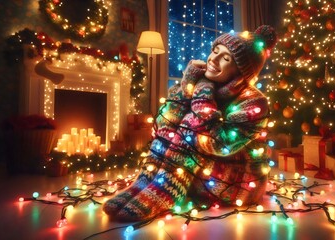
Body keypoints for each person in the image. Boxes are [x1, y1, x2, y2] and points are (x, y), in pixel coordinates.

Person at [103, 25, 277, 221]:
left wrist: (201, 93)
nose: (213, 59)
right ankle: (145, 182)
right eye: (215, 51)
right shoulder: (209, 86)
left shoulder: (254, 102)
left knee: (192, 122)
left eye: (226, 58)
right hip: (201, 175)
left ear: (241, 72)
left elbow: (218, 144)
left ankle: (164, 190)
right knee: (180, 119)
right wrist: (187, 87)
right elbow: (164, 123)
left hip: (238, 184)